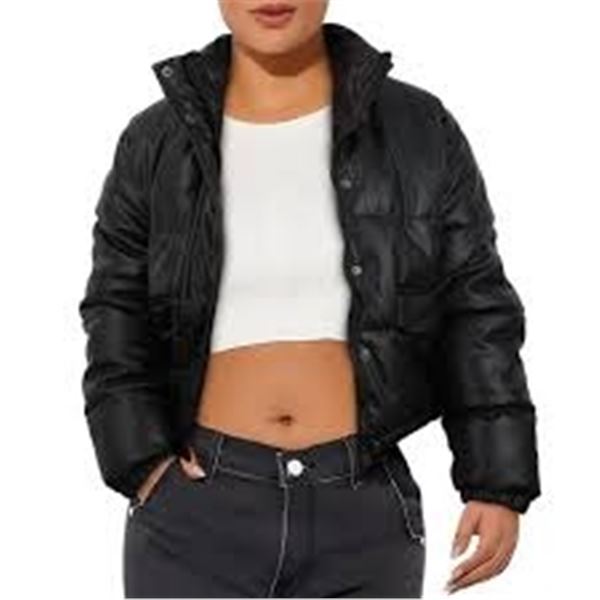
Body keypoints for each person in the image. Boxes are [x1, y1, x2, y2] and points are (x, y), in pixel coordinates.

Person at [78, 1, 541, 597]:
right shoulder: (156, 141)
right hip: (195, 517)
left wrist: (496, 481)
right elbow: (115, 309)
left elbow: (476, 307)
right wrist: (142, 464)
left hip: (362, 514)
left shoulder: (418, 128)